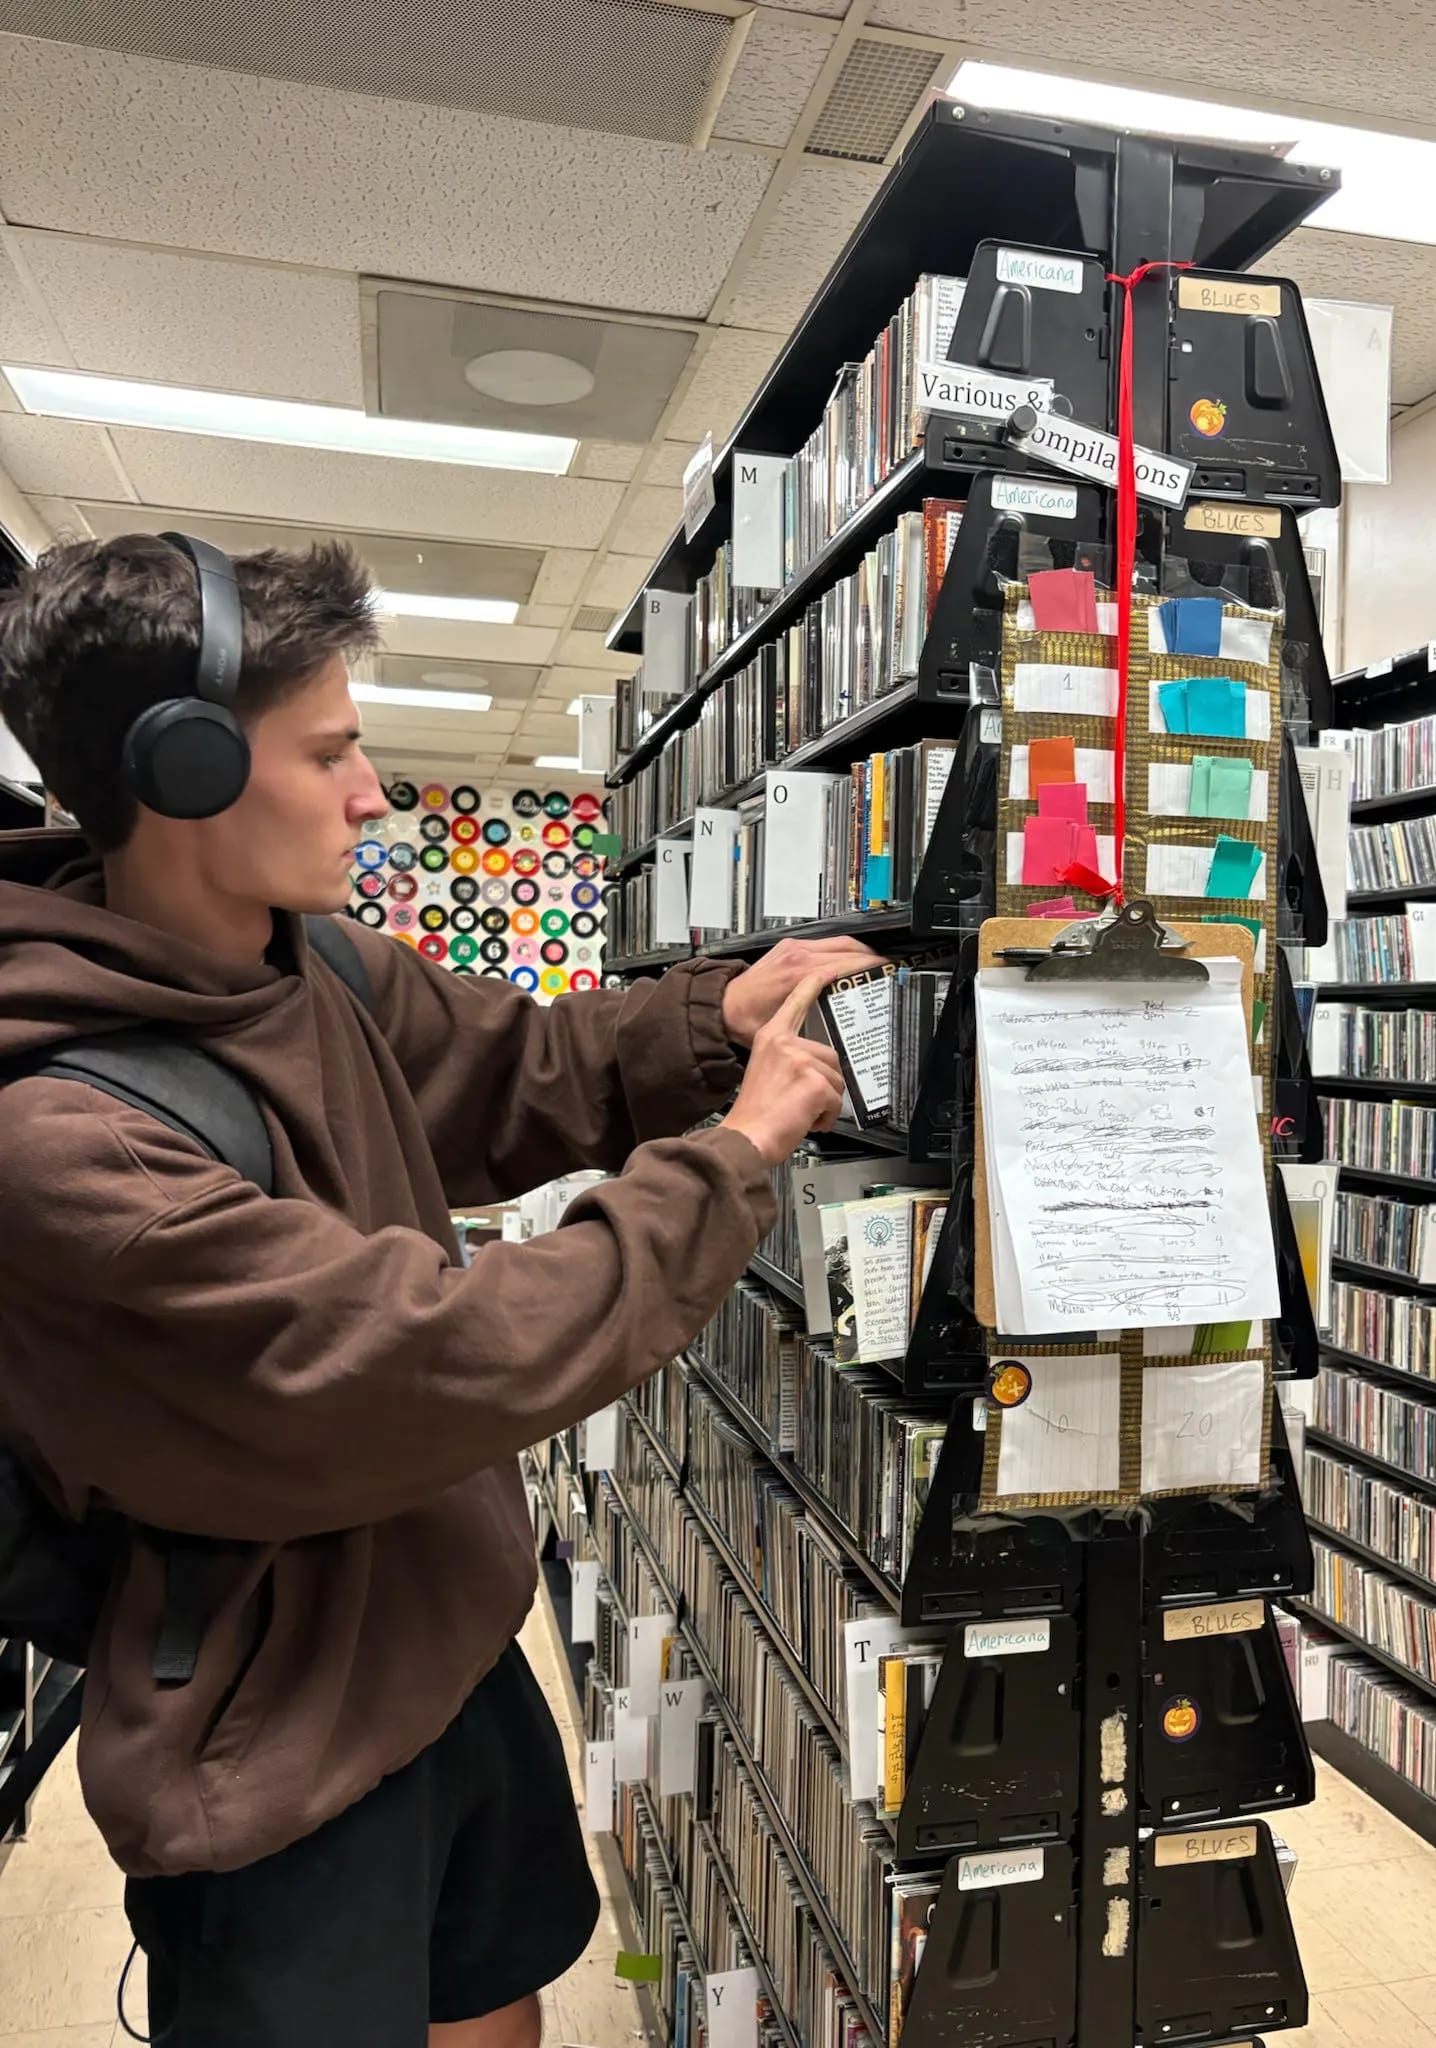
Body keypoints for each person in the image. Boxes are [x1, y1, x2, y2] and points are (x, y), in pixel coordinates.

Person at [0, 533, 878, 2048]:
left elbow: (513, 1073)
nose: (374, 795)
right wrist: (734, 1158)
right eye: (331, 753)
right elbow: (430, 1357)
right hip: (278, 1741)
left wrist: (706, 1023)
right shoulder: (64, 1139)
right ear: (187, 773)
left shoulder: (312, 961)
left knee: (495, 2006)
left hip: (447, 1646)